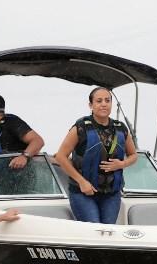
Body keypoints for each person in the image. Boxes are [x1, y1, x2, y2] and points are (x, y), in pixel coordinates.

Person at [54, 86, 137, 224]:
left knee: (108, 232)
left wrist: (122, 164)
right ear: (91, 105)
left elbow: (133, 155)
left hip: (111, 194)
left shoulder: (121, 128)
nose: (104, 104)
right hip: (83, 193)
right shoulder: (81, 127)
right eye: (99, 101)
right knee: (94, 229)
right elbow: (61, 157)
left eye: (107, 100)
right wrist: (82, 182)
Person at [0, 91, 44, 169]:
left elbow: (38, 141)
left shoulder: (11, 122)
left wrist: (24, 156)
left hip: (23, 179)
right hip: (1, 180)